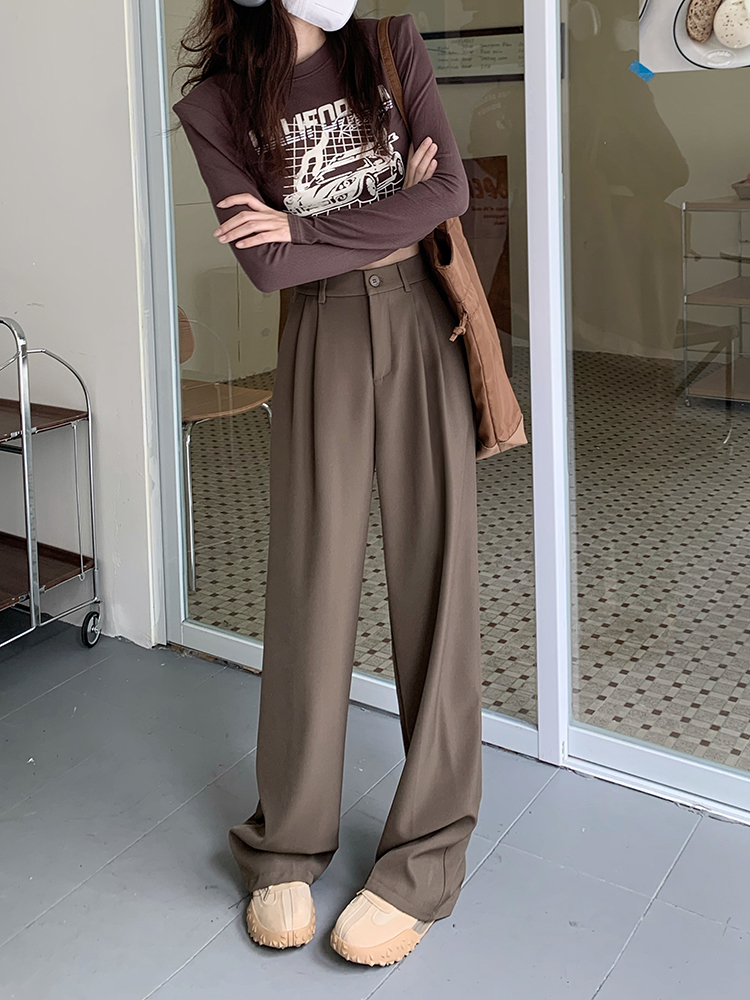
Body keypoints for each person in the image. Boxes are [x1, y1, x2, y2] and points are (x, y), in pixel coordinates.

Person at [171, 0, 483, 968]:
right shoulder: (218, 106)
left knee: (436, 583)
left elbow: (450, 193)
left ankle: (425, 861)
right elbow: (269, 270)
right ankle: (287, 843)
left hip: (422, 324)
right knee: (311, 585)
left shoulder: (390, 47)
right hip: (322, 335)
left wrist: (308, 226)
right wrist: (387, 214)